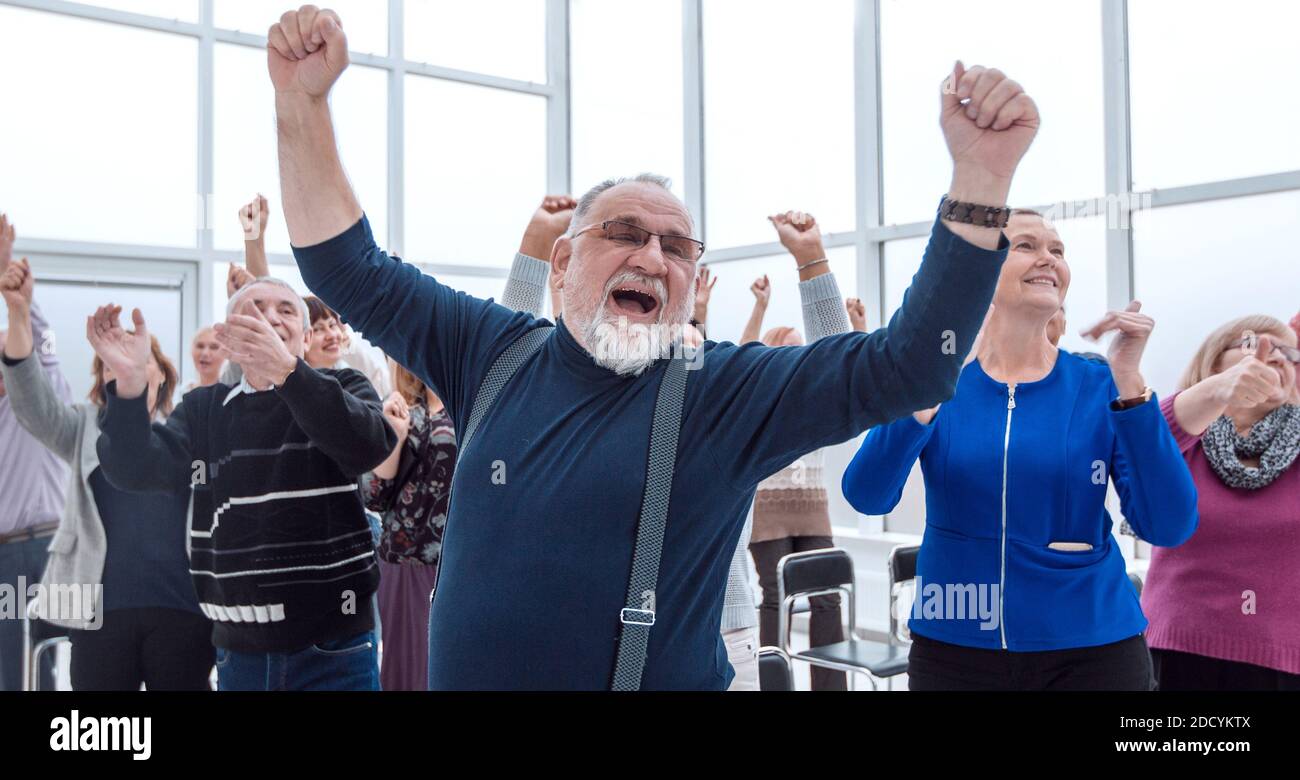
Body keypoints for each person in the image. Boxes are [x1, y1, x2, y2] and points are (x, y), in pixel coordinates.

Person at [270, 6, 1036, 689]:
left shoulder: (721, 393)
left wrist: (979, 179)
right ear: (563, 262)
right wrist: (301, 105)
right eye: (625, 234)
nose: (653, 258)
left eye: (678, 247)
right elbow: (346, 267)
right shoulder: (491, 351)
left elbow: (912, 364)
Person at [843, 209, 1199, 691]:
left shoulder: (1099, 385)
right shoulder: (939, 384)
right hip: (956, 645)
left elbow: (1169, 524)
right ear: (979, 270)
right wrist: (928, 390)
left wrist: (1131, 386)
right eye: (1027, 246)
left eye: (1058, 250)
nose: (1049, 258)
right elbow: (867, 494)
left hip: (1092, 649)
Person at [88, 276, 396, 691]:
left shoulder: (345, 388)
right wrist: (127, 386)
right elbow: (135, 469)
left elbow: (368, 447)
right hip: (240, 654)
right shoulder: (203, 409)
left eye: (285, 310)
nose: (270, 317)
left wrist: (288, 373)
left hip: (336, 649)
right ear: (228, 338)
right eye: (254, 309)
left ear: (306, 339)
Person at [364, 194, 577, 691]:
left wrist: (537, 245)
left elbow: (519, 334)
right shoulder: (406, 409)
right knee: (409, 672)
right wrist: (392, 438)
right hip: (409, 556)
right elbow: (377, 495)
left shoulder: (485, 395)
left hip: (471, 558)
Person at [2, 260, 213, 690]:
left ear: (160, 371)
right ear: (103, 381)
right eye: (108, 363)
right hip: (99, 613)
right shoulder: (84, 428)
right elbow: (32, 405)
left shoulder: (191, 430)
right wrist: (19, 315)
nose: (121, 363)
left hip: (184, 608)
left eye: (136, 355)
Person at [1141, 317, 1299, 690]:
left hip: (1283, 661)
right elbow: (1139, 447)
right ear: (1212, 364)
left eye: (1287, 352)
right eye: (1254, 344)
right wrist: (1212, 396)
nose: (1274, 356)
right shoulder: (1182, 436)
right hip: (1176, 651)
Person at [741, 211, 855, 691]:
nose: (796, 353)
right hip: (768, 512)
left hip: (811, 510)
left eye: (799, 346)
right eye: (786, 346)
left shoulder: (813, 404)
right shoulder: (759, 399)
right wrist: (761, 308)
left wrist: (856, 326)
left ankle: (829, 685)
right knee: (774, 595)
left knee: (826, 596)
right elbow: (744, 352)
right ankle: (774, 680)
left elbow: (837, 359)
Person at [0, 215, 69, 691]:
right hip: (5, 553)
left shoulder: (38, 408)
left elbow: (43, 351)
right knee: (9, 669)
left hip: (37, 547)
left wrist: (21, 306)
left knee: (33, 663)